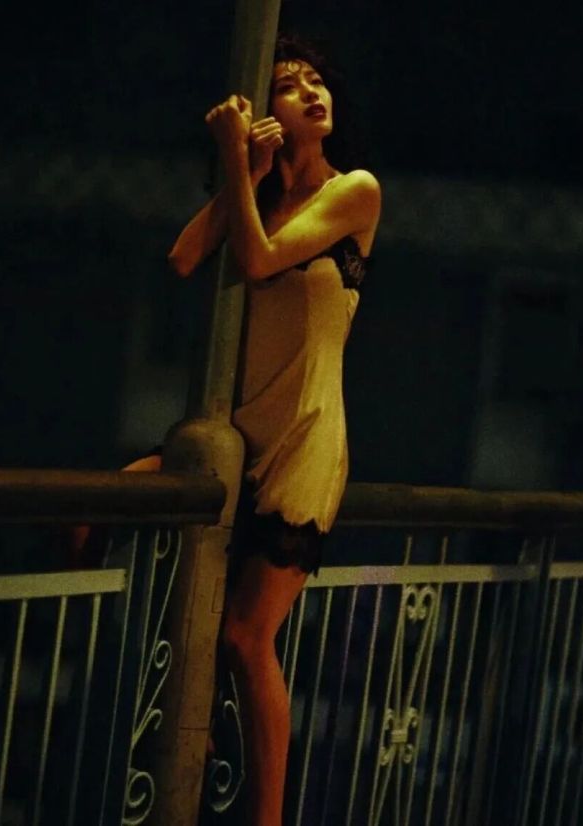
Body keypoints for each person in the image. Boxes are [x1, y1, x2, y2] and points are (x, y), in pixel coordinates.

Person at [169, 34, 380, 826]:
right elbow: (185, 257)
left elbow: (257, 262)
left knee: (244, 638)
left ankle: (265, 818)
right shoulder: (257, 192)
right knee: (96, 517)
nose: (312, 92)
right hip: (238, 432)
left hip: (304, 436)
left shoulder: (354, 191)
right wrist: (245, 172)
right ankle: (134, 721)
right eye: (289, 86)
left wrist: (235, 162)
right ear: (264, 112)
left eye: (316, 81)